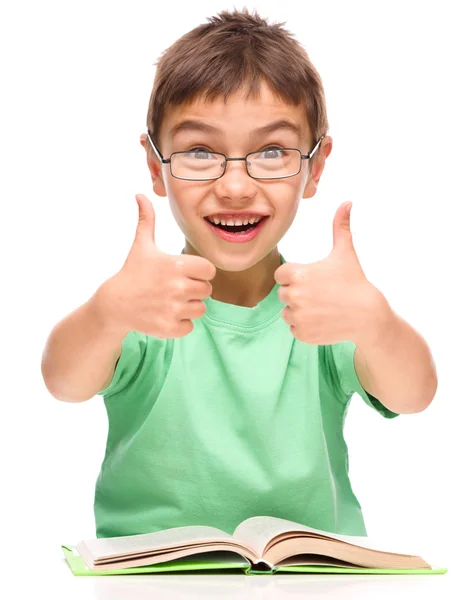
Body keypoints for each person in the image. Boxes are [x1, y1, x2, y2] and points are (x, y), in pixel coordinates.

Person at [41, 8, 437, 539]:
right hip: (151, 584)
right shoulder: (144, 304)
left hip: (312, 580)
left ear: (314, 168)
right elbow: (63, 382)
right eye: (201, 151)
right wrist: (106, 311)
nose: (234, 187)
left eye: (272, 151)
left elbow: (415, 395)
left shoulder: (322, 307)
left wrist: (375, 323)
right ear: (156, 167)